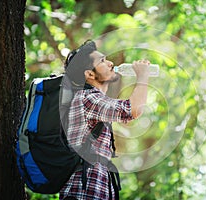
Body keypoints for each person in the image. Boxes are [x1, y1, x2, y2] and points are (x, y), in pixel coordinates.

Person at [59, 40, 150, 200]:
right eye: (102, 61)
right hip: (83, 193)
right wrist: (142, 76)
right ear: (90, 74)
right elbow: (132, 110)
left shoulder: (91, 99)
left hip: (91, 189)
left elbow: (127, 114)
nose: (110, 63)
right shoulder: (87, 98)